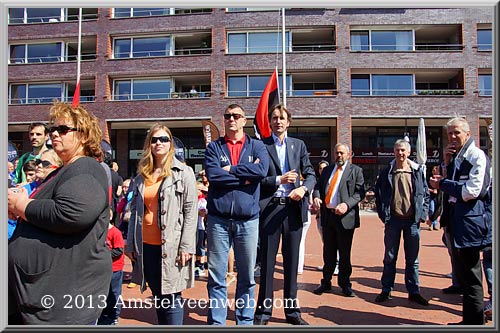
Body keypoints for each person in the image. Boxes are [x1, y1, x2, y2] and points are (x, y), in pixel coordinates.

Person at [7, 101, 112, 324]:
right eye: (52, 129)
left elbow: (72, 213)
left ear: (83, 135)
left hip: (62, 300)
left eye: (63, 129)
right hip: (44, 296)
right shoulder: (66, 170)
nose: (54, 134)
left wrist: (22, 206)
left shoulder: (85, 167)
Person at [125, 123, 197, 325]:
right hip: (146, 245)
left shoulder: (184, 172)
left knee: (172, 294)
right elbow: (134, 212)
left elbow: (190, 212)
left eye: (163, 139)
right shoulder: (141, 176)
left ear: (170, 144)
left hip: (172, 246)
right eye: (154, 139)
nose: (159, 143)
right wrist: (130, 243)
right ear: (149, 144)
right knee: (157, 292)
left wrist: (186, 245)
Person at [204, 103, 269, 325]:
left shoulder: (257, 146)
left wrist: (230, 170)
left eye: (236, 116)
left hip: (248, 221)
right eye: (228, 116)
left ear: (244, 120)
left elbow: (262, 171)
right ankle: (217, 322)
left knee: (247, 277)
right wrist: (246, 178)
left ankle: (244, 321)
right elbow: (213, 176)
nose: (231, 119)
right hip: (218, 220)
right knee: (216, 276)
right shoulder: (214, 147)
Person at [254, 104, 316, 326]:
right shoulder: (260, 146)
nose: (278, 121)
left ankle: (292, 314)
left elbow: (310, 174)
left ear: (289, 122)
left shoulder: (298, 146)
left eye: (282, 118)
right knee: (268, 265)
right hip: (270, 209)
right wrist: (278, 180)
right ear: (269, 122)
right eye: (274, 118)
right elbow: (257, 179)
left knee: (291, 265)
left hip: (293, 209)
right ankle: (262, 313)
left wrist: (303, 189)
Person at [429, 117, 491, 325]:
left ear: (468, 134)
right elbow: (450, 189)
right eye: (450, 134)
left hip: (470, 224)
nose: (453, 137)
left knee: (472, 277)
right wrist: (447, 165)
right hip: (455, 222)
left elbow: (472, 191)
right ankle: (471, 320)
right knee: (464, 275)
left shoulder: (477, 156)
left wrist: (444, 183)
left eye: (457, 133)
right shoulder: (457, 158)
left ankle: (474, 322)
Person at [374, 139, 430, 306]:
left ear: (409, 152)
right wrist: (383, 214)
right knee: (390, 257)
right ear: (394, 152)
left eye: (403, 150)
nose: (400, 153)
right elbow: (378, 194)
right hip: (393, 220)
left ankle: (414, 292)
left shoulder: (417, 171)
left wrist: (422, 214)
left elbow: (425, 194)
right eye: (398, 150)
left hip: (412, 221)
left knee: (413, 260)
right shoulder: (387, 171)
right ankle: (386, 290)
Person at [312, 143, 365, 298]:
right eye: (336, 153)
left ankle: (345, 284)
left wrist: (347, 205)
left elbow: (359, 192)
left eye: (342, 153)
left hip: (345, 218)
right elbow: (318, 187)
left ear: (348, 154)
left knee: (344, 253)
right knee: (328, 252)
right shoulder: (328, 170)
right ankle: (326, 282)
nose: (339, 156)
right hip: (328, 217)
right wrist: (316, 197)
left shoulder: (356, 171)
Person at [98, 210, 125, 325]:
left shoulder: (115, 232)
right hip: (103, 269)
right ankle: (104, 315)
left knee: (114, 293)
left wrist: (104, 255)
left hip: (115, 268)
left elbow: (119, 250)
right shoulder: (99, 232)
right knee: (104, 293)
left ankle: (114, 315)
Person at [427, 165, 442, 231]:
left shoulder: (441, 178)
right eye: (434, 171)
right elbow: (425, 188)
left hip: (438, 197)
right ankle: (430, 224)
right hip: (431, 196)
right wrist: (432, 190)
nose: (436, 172)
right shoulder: (430, 178)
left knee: (437, 210)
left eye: (437, 171)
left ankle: (434, 224)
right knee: (431, 210)